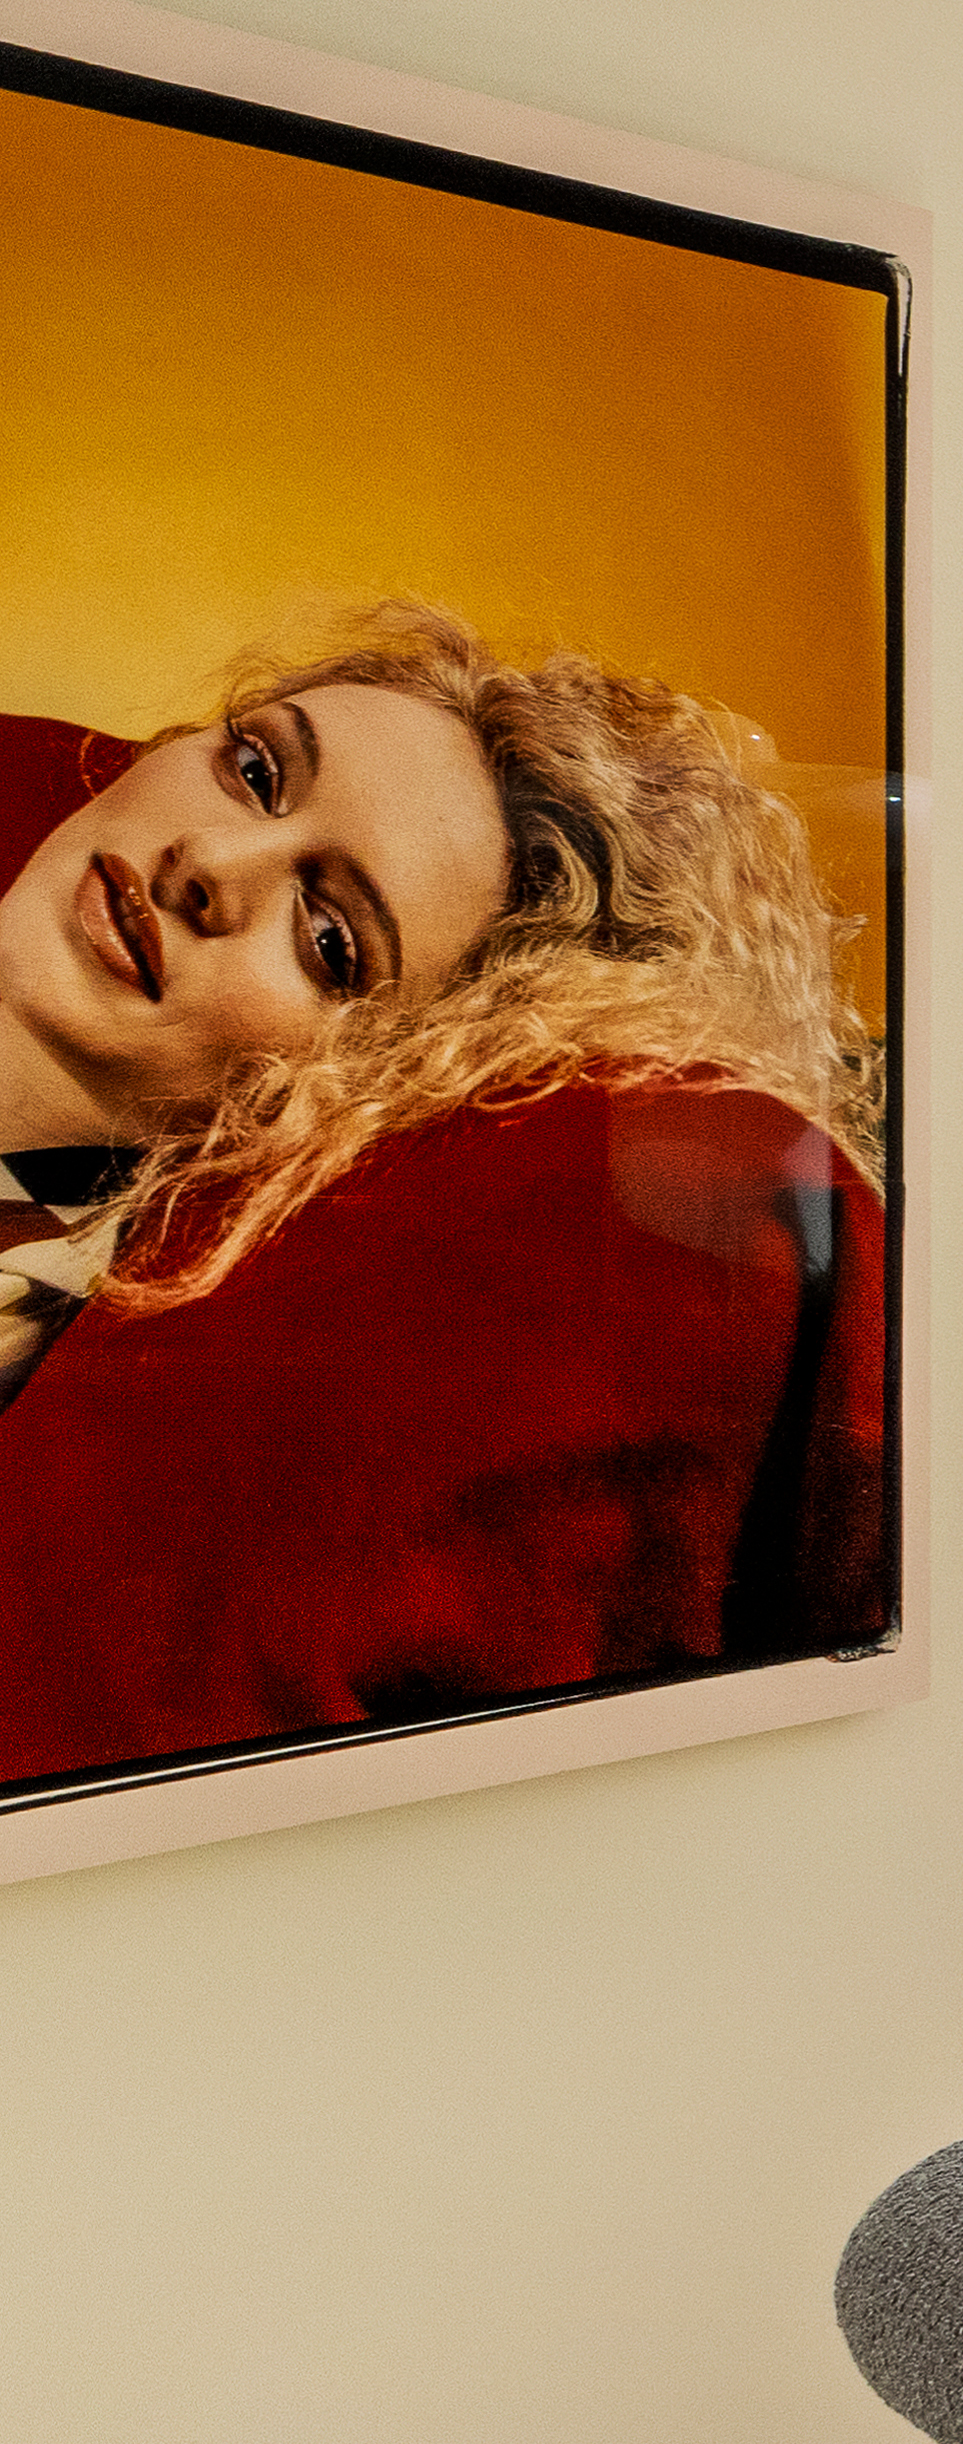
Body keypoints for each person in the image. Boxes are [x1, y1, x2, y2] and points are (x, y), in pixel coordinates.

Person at [0, 600, 895, 1795]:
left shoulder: (70, 1302)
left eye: (329, 939)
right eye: (256, 768)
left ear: (354, 1092)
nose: (210, 864)